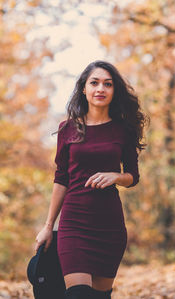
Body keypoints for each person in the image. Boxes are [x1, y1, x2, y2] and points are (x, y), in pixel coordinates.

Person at [35, 60, 149, 299]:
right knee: (77, 294)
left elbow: (133, 176)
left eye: (108, 84)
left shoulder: (123, 130)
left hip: (109, 226)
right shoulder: (67, 129)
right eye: (94, 83)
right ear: (84, 89)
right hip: (74, 223)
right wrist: (48, 227)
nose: (101, 89)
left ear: (114, 90)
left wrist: (116, 176)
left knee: (100, 296)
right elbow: (61, 179)